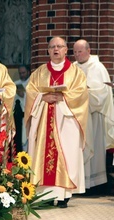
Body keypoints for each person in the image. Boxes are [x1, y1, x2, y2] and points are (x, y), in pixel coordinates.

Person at [25, 36, 89, 208]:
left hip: (66, 121)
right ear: (48, 50)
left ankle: (63, 195)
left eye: (59, 46)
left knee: (66, 154)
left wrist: (64, 96)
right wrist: (42, 97)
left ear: (66, 50)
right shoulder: (39, 73)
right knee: (43, 153)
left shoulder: (76, 73)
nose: (56, 49)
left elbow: (82, 93)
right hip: (44, 118)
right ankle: (44, 194)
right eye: (52, 46)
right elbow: (30, 91)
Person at [73, 39, 114, 190]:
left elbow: (103, 93)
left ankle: (95, 185)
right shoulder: (73, 67)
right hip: (78, 115)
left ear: (88, 51)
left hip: (94, 115)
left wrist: (84, 92)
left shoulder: (98, 67)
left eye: (80, 51)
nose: (77, 55)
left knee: (93, 149)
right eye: (75, 52)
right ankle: (79, 183)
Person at [13, 65, 31, 152]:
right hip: (17, 116)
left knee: (26, 138)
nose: (22, 75)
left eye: (23, 73)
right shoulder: (16, 83)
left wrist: (24, 96)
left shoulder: (32, 83)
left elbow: (34, 97)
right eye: (20, 73)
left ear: (28, 72)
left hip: (27, 115)